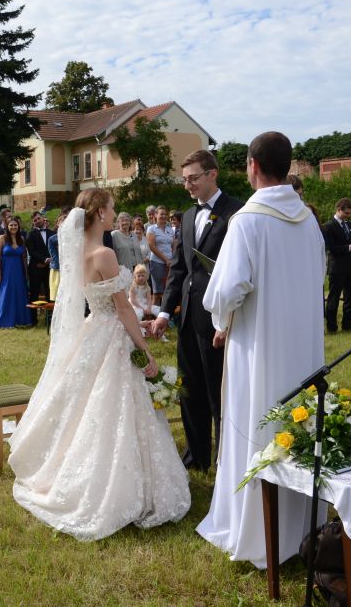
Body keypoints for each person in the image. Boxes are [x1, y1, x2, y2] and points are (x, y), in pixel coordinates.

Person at [9, 188, 190, 540]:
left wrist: (138, 325)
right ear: (100, 212)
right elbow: (122, 308)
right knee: (114, 407)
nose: (115, 211)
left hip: (94, 329)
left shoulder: (77, 251)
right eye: (112, 207)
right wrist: (145, 350)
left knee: (85, 406)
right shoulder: (104, 253)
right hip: (112, 336)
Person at [197, 131, 325, 568]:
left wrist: (222, 321)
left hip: (259, 346)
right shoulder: (308, 220)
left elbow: (225, 291)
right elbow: (316, 277)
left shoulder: (247, 222)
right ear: (287, 167)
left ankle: (254, 531)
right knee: (297, 423)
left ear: (252, 165)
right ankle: (301, 528)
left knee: (257, 421)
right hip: (302, 346)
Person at [151, 149, 244, 472]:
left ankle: (225, 459)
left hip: (219, 319)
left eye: (192, 178)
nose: (187, 185)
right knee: (189, 389)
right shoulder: (189, 216)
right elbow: (179, 268)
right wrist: (165, 313)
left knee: (219, 390)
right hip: (188, 317)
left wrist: (228, 320)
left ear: (212, 174)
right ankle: (196, 456)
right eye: (184, 180)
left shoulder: (237, 213)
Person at [323, 198, 351, 333]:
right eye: (346, 213)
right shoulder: (328, 226)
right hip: (336, 267)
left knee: (350, 297)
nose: (348, 216)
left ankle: (347, 325)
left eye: (350, 213)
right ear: (339, 209)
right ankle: (332, 327)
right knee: (334, 297)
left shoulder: (350, 225)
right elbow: (331, 248)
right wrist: (349, 247)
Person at [0, 216, 31, 329]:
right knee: (6, 294)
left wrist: (26, 272)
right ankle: (3, 321)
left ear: (18, 226)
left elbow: (24, 257)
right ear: (7, 226)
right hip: (6, 271)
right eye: (11, 225)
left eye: (15, 225)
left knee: (19, 293)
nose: (13, 227)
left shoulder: (21, 239)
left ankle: (20, 320)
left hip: (19, 271)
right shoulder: (2, 238)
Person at [26, 211, 52, 319]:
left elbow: (54, 249)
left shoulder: (52, 233)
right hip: (35, 268)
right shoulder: (30, 234)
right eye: (35, 220)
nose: (37, 221)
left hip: (49, 268)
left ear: (43, 218)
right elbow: (32, 251)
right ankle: (33, 319)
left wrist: (48, 262)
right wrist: (43, 260)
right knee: (34, 293)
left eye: (38, 218)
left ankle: (50, 318)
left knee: (50, 292)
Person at [146, 206, 174, 306]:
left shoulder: (170, 229)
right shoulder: (151, 228)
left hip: (170, 263)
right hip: (157, 262)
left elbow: (174, 245)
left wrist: (173, 259)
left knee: (168, 291)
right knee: (157, 293)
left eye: (165, 214)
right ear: (155, 215)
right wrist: (166, 259)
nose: (164, 216)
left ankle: (165, 313)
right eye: (161, 214)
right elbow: (152, 246)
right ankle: (154, 313)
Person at [46, 213, 66, 301]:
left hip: (71, 269)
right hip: (58, 269)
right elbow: (54, 256)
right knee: (58, 296)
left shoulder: (75, 238)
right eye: (62, 221)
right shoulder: (52, 239)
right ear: (58, 223)